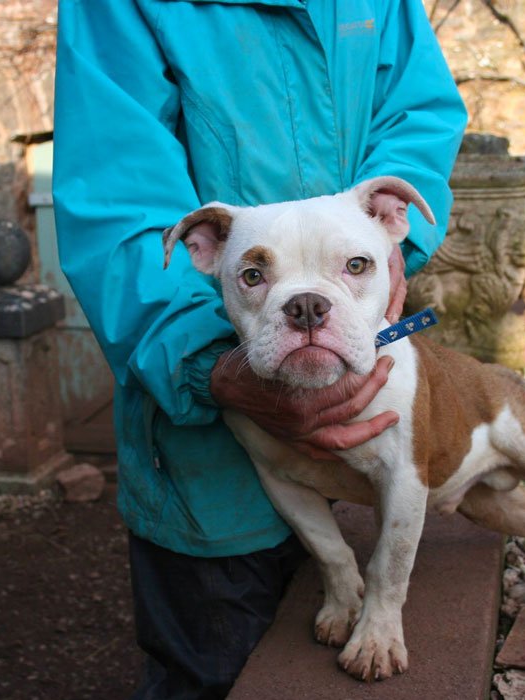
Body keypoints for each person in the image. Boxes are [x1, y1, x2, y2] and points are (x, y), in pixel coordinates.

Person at [52, 1, 466, 697]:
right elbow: (120, 204)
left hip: (358, 431)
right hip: (210, 466)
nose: (306, 302)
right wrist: (201, 364)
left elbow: (416, 114)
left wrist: (386, 241)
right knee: (218, 670)